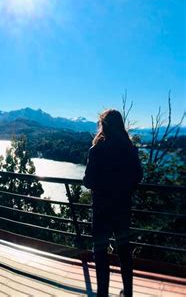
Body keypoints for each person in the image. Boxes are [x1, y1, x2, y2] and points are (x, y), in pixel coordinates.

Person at [83, 109, 143, 297]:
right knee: (124, 250)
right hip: (123, 207)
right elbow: (138, 176)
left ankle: (102, 293)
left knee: (100, 251)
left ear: (103, 125)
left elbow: (88, 181)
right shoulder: (130, 149)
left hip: (101, 208)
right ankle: (128, 293)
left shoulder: (96, 150)